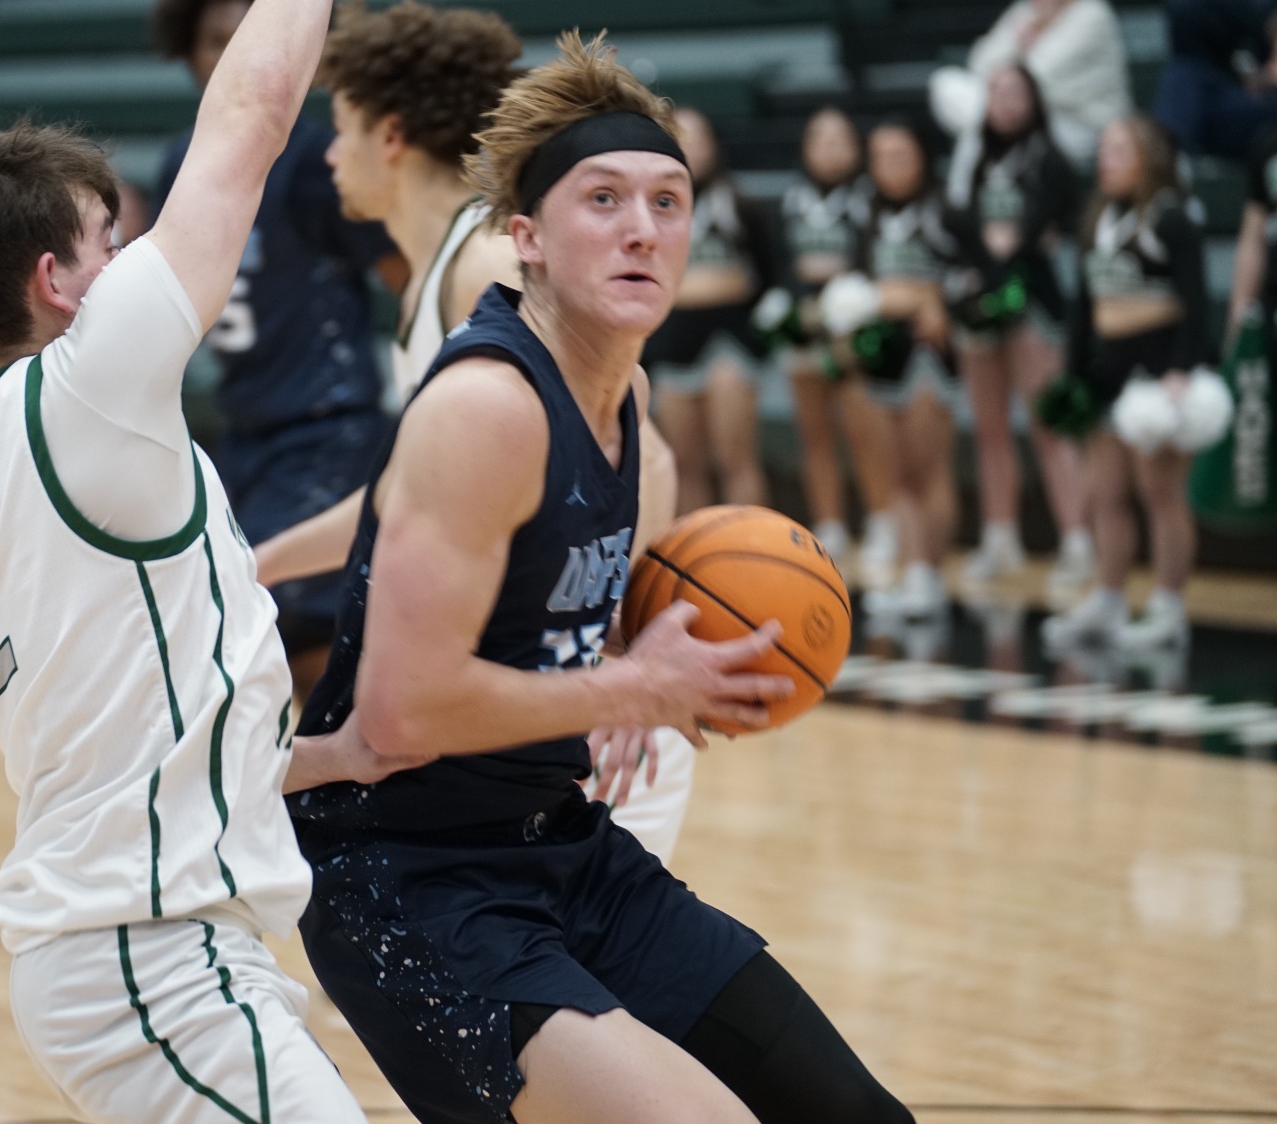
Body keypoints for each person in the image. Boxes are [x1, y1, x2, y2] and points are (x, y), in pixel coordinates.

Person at [287, 33, 914, 1124]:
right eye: (604, 199)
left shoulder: (614, 392)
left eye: (668, 201)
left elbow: (650, 466)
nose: (642, 227)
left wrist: (626, 639)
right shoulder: (487, 403)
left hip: (561, 848)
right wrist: (628, 687)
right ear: (521, 236)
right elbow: (396, 710)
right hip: (411, 879)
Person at [0, 0, 414, 1117]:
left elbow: (128, 726)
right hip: (145, 956)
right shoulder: (82, 391)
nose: (134, 265)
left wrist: (322, 752)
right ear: (55, 283)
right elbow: (252, 117)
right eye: (110, 244)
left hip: (128, 947)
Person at [257, 0, 696, 864]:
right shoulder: (436, 278)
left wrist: (619, 658)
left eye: (339, 127)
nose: (331, 152)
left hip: (582, 714)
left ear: (389, 136)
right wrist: (259, 563)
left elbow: (650, 449)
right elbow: (405, 503)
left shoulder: (488, 265)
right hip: (535, 708)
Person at [151, 0, 405, 686]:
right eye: (215, 42)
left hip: (328, 432)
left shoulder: (318, 157)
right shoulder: (180, 161)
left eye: (248, 39)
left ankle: (341, 780)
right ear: (186, 51)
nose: (235, 57)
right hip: (240, 436)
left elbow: (404, 272)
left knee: (287, 634)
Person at [1041, 115, 1222, 649]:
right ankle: (1109, 597)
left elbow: (1195, 305)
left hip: (1156, 382)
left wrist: (1181, 372)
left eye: (1122, 149)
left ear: (1151, 157)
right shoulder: (1095, 217)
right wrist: (1071, 371)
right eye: (1105, 149)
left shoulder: (1171, 220)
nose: (1108, 158)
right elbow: (1083, 305)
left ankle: (1169, 605)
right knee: (1104, 494)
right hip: (1105, 377)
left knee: (1160, 493)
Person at [946, 65, 1096, 591]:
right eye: (994, 91)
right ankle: (1000, 538)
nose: (1003, 101)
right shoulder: (978, 158)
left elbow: (1063, 223)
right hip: (981, 302)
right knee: (989, 430)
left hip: (1032, 301)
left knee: (1048, 428)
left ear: (1033, 99)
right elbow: (962, 226)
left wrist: (1022, 239)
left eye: (1014, 91)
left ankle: (1078, 543)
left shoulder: (1050, 159)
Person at [840, 121, 964, 618]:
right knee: (895, 475)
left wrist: (943, 309)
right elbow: (857, 279)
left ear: (921, 157)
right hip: (881, 352)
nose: (888, 165)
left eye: (900, 154)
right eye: (879, 155)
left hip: (928, 357)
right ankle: (912, 569)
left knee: (928, 467)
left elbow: (989, 281)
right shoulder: (865, 213)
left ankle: (930, 572)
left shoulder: (947, 211)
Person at [775, 106, 900, 569]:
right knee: (814, 435)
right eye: (819, 139)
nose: (830, 149)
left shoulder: (869, 199)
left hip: (854, 334)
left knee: (864, 432)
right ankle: (829, 527)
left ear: (856, 148)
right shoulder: (793, 199)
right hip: (805, 330)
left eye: (839, 139)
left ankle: (883, 522)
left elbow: (872, 263)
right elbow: (780, 263)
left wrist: (842, 290)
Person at [643, 106, 783, 513]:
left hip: (728, 342)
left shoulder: (740, 205)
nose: (689, 146)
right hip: (672, 341)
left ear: (714, 145)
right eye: (678, 136)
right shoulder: (649, 210)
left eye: (697, 136)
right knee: (683, 465)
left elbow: (768, 275)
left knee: (735, 458)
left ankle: (753, 558)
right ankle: (692, 566)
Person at [928, 0, 1132, 170]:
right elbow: (979, 62)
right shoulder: (1026, 10)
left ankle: (962, 199)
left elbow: (1032, 79)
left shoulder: (1092, 13)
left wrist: (1014, 59)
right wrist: (1019, 39)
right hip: (1028, 114)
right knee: (946, 84)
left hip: (1082, 126)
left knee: (983, 119)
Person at [1152, 0, 1277, 161]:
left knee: (1185, 94)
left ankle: (1164, 161)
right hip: (1225, 95)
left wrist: (1262, 77)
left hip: (1264, 110)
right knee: (1185, 74)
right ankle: (1168, 158)